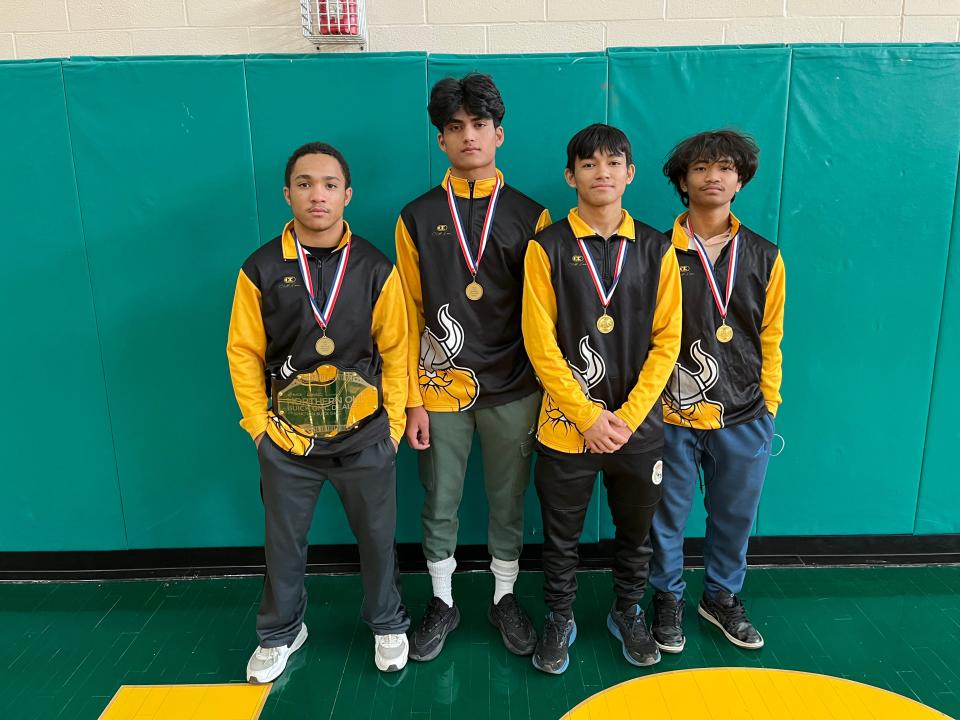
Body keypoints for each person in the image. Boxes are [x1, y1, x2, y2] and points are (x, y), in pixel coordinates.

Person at [227, 142, 410, 682]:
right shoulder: (259, 269)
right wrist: (259, 428)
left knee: (378, 538)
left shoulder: (377, 267)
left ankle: (386, 622)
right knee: (283, 543)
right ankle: (281, 631)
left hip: (365, 437)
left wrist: (393, 428)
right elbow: (244, 352)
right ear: (288, 194)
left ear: (347, 195)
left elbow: (398, 351)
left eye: (330, 184)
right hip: (288, 443)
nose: (318, 195)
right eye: (305, 184)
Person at [395, 73, 551, 662]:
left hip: (514, 388)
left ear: (499, 134)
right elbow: (406, 315)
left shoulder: (531, 216)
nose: (468, 137)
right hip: (438, 390)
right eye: (455, 128)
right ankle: (442, 599)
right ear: (441, 140)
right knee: (440, 500)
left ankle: (504, 597)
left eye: (479, 126)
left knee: (508, 499)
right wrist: (411, 398)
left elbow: (542, 316)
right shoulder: (416, 216)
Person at [522, 123, 682, 674]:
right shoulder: (546, 247)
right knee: (560, 537)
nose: (602, 172)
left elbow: (668, 341)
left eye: (614, 162)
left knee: (636, 532)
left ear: (630, 174)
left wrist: (627, 418)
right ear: (571, 176)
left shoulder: (660, 247)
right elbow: (539, 343)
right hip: (566, 427)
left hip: (637, 429)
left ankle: (628, 612)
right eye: (588, 164)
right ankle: (559, 618)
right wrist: (588, 416)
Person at [649, 129, 785, 654]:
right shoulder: (656, 251)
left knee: (734, 516)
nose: (713, 176)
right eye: (701, 167)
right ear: (683, 181)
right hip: (671, 414)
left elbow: (770, 336)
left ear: (740, 180)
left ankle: (722, 597)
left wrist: (767, 404)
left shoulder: (766, 256)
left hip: (744, 413)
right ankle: (666, 597)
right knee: (666, 514)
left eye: (725, 167)